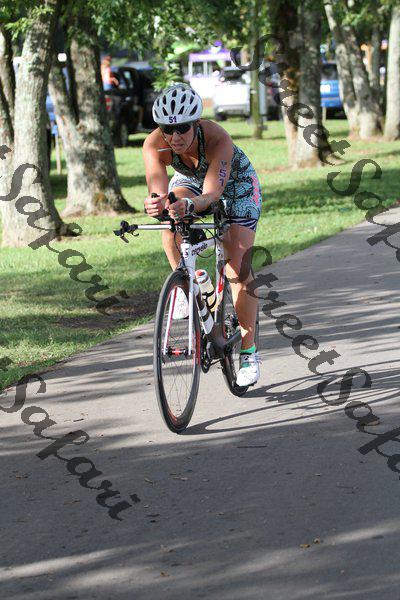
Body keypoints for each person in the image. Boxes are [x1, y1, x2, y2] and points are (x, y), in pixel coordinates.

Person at [142, 83, 263, 387]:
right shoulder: (154, 144)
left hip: (234, 186)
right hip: (190, 180)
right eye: (168, 129)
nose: (175, 136)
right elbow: (159, 190)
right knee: (171, 222)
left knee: (237, 268)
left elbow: (211, 193)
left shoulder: (217, 138)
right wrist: (157, 203)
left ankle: (249, 352)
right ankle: (186, 287)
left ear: (196, 123)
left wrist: (190, 205)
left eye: (183, 127)